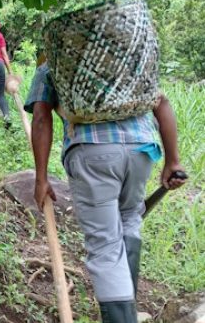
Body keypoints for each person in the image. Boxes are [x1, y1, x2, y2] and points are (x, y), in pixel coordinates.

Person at [25, 59, 187, 323]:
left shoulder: (56, 61)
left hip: (93, 152)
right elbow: (162, 103)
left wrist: (41, 178)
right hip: (141, 150)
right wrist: (173, 161)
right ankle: (128, 309)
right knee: (129, 222)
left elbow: (42, 118)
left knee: (105, 246)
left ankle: (123, 318)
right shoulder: (124, 56)